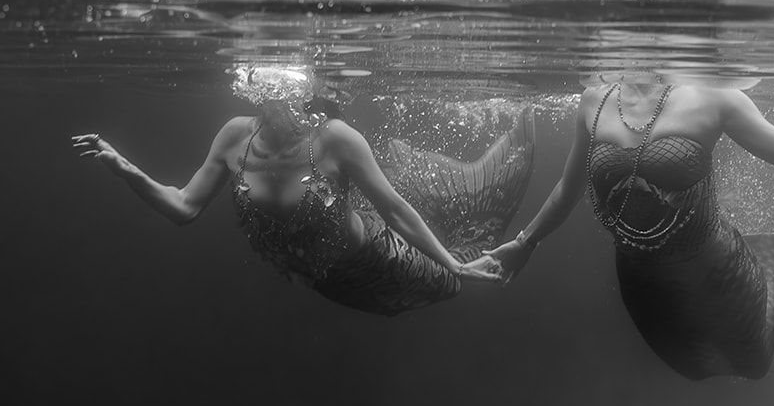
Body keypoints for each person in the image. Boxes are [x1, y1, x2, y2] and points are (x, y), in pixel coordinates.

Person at [481, 74, 774, 379]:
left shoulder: (715, 98)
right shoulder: (594, 100)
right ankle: (762, 247)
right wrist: (525, 242)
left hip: (714, 266)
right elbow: (568, 190)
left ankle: (769, 249)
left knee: (752, 362)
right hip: (640, 278)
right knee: (692, 368)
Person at [73, 65, 534, 315]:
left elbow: (394, 211)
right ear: (256, 92)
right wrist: (124, 169)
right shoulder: (235, 135)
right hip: (324, 282)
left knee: (453, 279)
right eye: (267, 87)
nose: (279, 98)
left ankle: (492, 164)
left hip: (377, 259)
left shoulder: (334, 137)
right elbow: (184, 208)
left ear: (303, 92)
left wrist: (452, 263)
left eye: (289, 88)